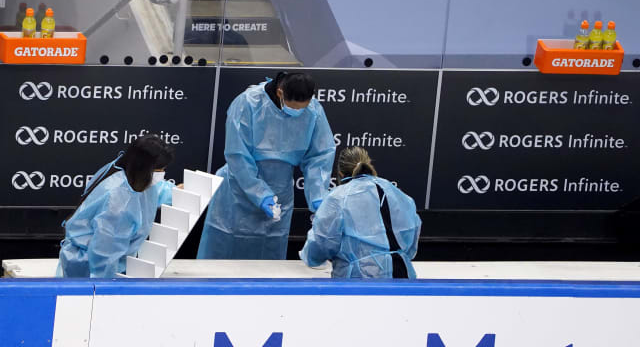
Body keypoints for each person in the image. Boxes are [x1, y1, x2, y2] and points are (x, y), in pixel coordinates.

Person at [197, 72, 336, 259]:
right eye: (292, 107)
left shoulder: (313, 110)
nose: (297, 113)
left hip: (280, 190)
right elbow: (238, 155)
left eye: (301, 109)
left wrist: (318, 195)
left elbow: (319, 156)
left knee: (268, 257)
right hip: (238, 188)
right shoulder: (248, 103)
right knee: (224, 252)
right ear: (280, 93)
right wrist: (260, 193)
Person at [57, 134, 176, 278]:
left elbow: (151, 192)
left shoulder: (124, 170)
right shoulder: (119, 202)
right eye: (159, 171)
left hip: (102, 260)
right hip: (91, 271)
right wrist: (109, 287)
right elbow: (104, 254)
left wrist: (176, 192)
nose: (161, 175)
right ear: (145, 168)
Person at [300, 147, 421, 278]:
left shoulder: (338, 197)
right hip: (403, 276)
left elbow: (320, 244)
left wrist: (310, 257)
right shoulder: (395, 192)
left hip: (359, 280)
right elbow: (412, 234)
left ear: (340, 173)